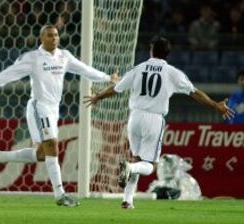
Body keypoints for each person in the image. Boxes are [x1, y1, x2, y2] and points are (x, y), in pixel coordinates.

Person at [0, 25, 118, 207]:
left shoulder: (64, 56)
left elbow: (84, 70)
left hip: (54, 109)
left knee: (41, 154)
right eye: (49, 35)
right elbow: (10, 73)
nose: (54, 38)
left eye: (56, 35)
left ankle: (1, 157)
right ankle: (60, 195)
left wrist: (107, 77)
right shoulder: (33, 58)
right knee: (52, 146)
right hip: (39, 107)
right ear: (41, 38)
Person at [84, 36, 234, 209]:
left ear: (151, 50)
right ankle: (129, 169)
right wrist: (216, 106)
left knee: (137, 159)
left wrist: (98, 97)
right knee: (149, 165)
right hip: (154, 119)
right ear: (167, 54)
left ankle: (127, 200)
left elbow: (117, 89)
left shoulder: (138, 68)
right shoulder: (172, 72)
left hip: (134, 117)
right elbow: (195, 93)